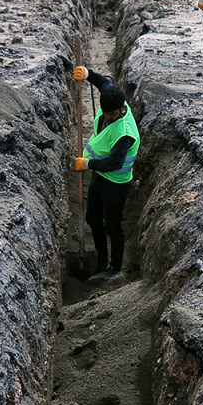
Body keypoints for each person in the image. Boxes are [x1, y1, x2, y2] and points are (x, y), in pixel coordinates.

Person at [72, 66, 139, 280]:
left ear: (122, 108)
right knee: (93, 218)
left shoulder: (124, 133)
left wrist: (88, 164)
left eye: (113, 114)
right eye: (106, 113)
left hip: (116, 183)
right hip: (100, 177)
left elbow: (114, 163)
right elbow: (104, 83)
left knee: (113, 226)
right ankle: (101, 260)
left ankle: (115, 268)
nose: (108, 117)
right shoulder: (111, 98)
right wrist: (87, 74)